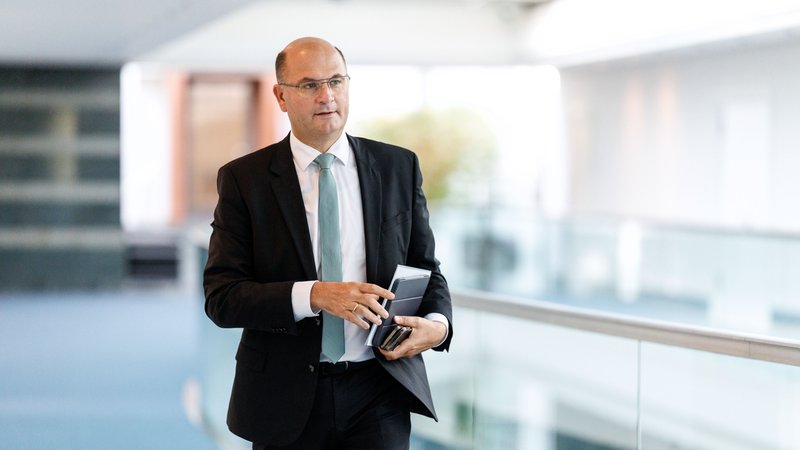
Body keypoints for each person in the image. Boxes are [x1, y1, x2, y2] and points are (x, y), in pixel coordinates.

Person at [203, 36, 453, 449]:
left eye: (336, 81)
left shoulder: (398, 167)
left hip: (379, 389)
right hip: (284, 394)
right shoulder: (245, 180)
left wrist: (438, 327)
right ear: (281, 97)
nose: (326, 96)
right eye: (309, 85)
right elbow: (222, 298)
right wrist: (316, 295)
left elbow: (427, 270)